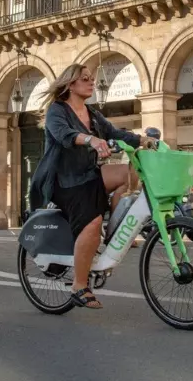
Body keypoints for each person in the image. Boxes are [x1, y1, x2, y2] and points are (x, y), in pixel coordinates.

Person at [28, 63, 155, 310]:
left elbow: (114, 133)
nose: (91, 82)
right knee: (92, 221)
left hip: (89, 175)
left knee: (128, 172)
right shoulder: (57, 110)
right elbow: (64, 135)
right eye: (85, 78)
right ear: (70, 84)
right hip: (64, 181)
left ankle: (114, 232)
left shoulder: (93, 114)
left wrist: (143, 140)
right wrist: (91, 140)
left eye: (91, 78)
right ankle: (79, 285)